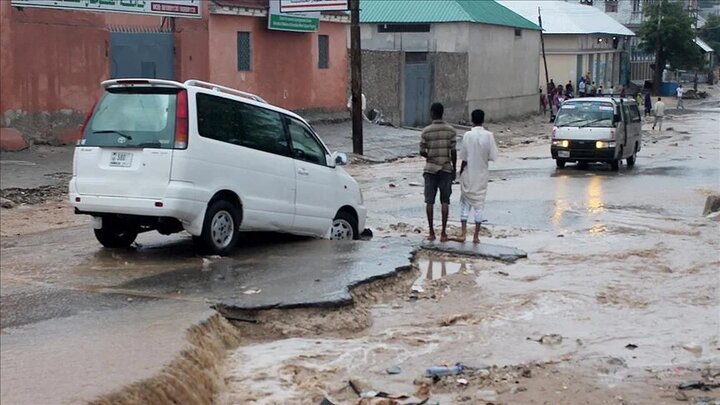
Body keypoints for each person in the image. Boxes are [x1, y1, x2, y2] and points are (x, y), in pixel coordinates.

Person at [453, 109, 498, 244]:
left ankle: (463, 233)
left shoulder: (467, 135)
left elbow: (464, 158)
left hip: (468, 174)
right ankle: (476, 236)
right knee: (479, 205)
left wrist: (460, 172)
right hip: (482, 175)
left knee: (465, 204)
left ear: (472, 120)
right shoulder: (489, 136)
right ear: (483, 120)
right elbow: (492, 156)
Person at [419, 102, 457, 242]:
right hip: (446, 169)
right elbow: (453, 151)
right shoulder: (451, 130)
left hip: (430, 170)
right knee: (445, 201)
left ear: (432, 114)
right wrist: (454, 168)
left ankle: (431, 232)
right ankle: (443, 233)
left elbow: (422, 151)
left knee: (430, 201)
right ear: (442, 113)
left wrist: (430, 157)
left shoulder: (426, 131)